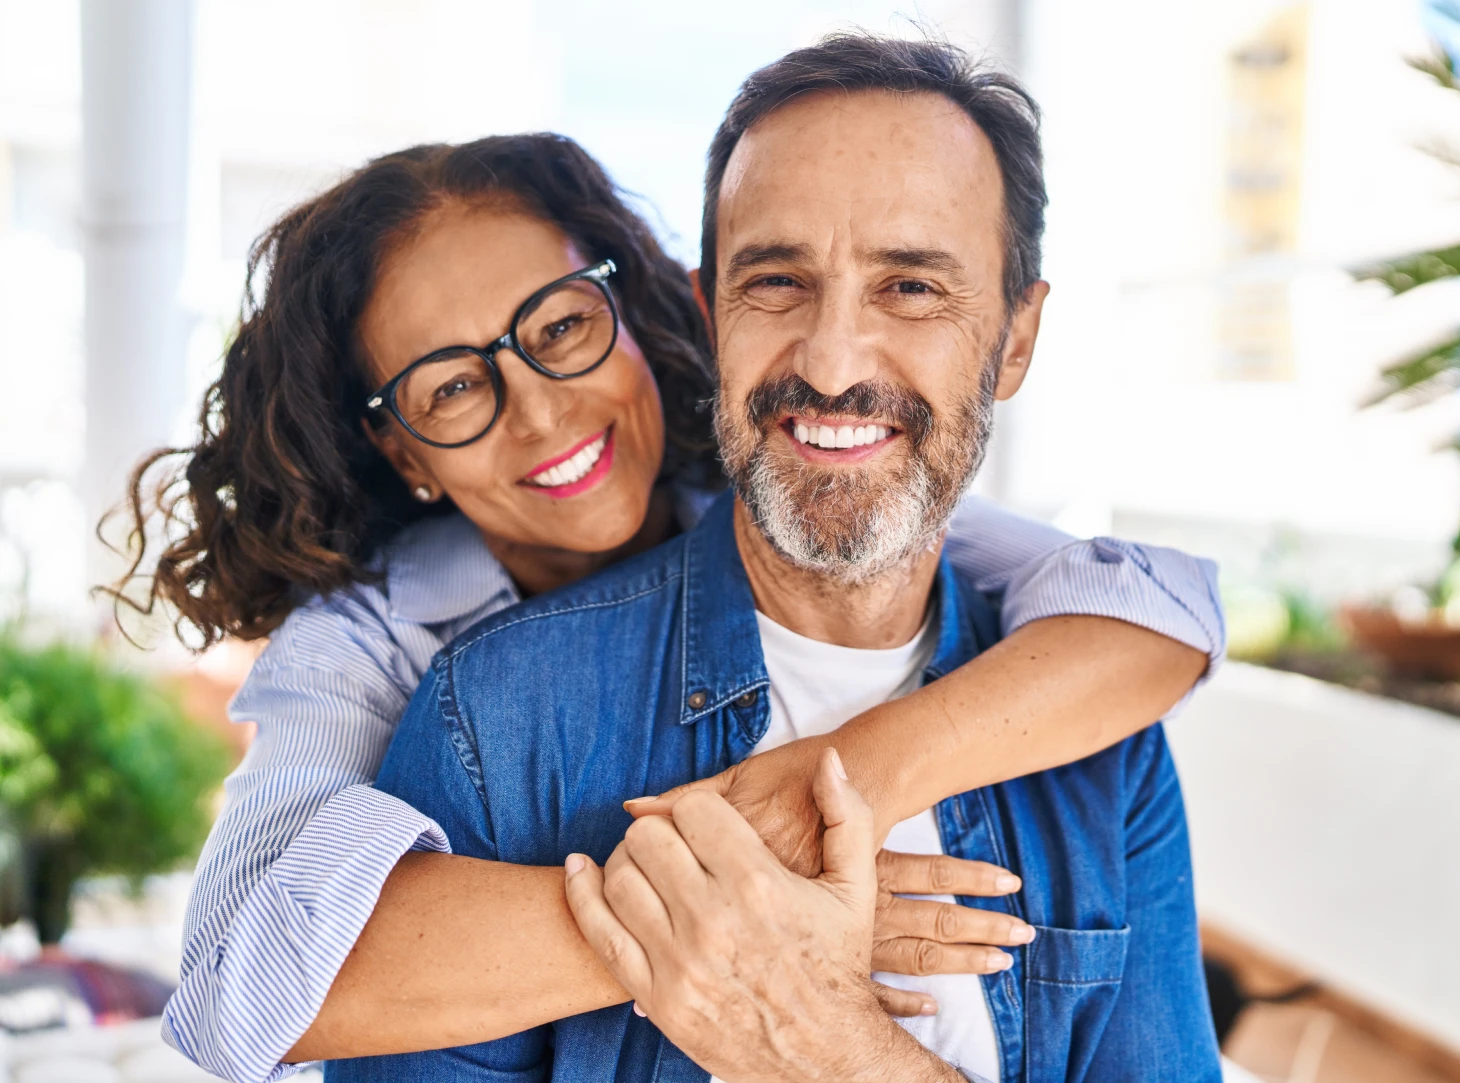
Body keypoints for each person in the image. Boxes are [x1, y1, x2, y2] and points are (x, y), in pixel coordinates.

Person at [116, 68, 1219, 1083]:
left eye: (559, 327)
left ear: (639, 317)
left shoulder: (829, 486)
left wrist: (827, 795)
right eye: (451, 388)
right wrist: (722, 917)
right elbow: (235, 978)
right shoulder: (424, 679)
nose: (541, 409)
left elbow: (1146, 608)